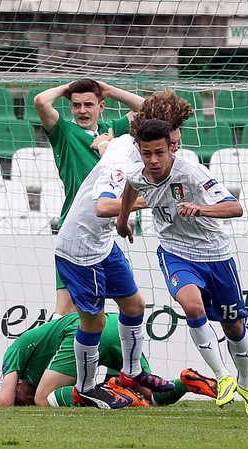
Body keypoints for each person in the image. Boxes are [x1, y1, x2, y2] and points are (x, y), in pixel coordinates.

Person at [116, 119, 248, 416]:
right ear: (140, 151)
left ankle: (246, 385)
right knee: (192, 307)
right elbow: (130, 188)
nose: (153, 160)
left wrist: (202, 208)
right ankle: (223, 376)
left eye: (159, 152)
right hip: (175, 252)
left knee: (234, 325)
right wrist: (122, 220)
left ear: (171, 149)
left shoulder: (193, 172)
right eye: (147, 154)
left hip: (215, 254)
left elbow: (235, 208)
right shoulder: (136, 171)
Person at [54, 121, 174, 409]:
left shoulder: (123, 142)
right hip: (80, 250)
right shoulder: (120, 167)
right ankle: (85, 388)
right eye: (171, 141)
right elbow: (103, 206)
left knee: (135, 306)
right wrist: (149, 201)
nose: (173, 148)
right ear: (143, 147)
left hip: (103, 243)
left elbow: (104, 146)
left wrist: (102, 142)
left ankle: (132, 373)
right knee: (94, 322)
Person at [34, 78, 145, 319]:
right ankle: (42, 353)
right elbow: (41, 101)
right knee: (66, 310)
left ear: (101, 106)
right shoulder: (64, 132)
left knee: (128, 306)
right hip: (75, 231)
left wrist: (110, 90)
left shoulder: (112, 130)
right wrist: (66, 88)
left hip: (102, 233)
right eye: (76, 105)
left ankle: (119, 356)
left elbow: (148, 109)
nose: (82, 110)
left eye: (88, 104)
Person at [0, 312, 217, 407]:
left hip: (85, 332)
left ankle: (112, 390)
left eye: (20, 395)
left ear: (18, 382)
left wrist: (0, 399)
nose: (24, 398)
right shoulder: (43, 364)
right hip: (116, 327)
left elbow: (5, 401)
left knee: (44, 399)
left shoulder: (14, 351)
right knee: (152, 398)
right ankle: (186, 382)